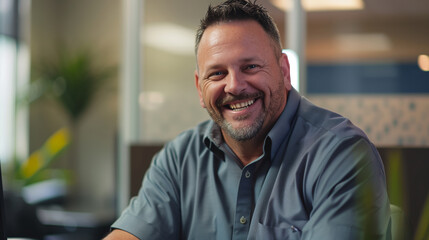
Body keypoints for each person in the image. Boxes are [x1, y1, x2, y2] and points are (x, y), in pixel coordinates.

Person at [105, 0, 391, 239]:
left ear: (284, 71)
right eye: (217, 73)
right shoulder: (180, 158)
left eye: (251, 66)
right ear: (199, 89)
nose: (234, 85)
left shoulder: (341, 154)